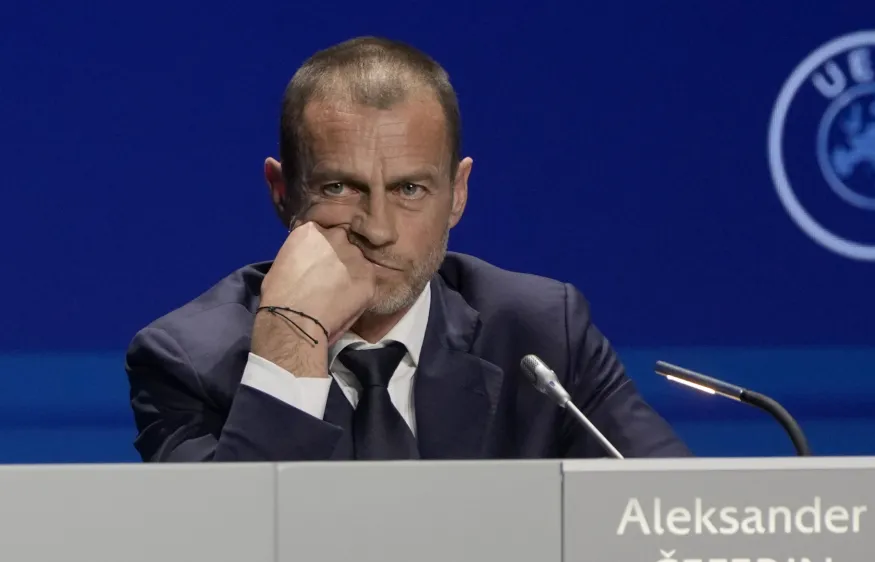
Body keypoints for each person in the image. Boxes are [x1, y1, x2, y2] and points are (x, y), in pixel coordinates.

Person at [125, 36, 690, 462]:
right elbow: (230, 545)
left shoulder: (541, 333)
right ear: (282, 192)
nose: (378, 229)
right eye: (340, 187)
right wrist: (290, 346)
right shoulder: (187, 360)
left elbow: (678, 519)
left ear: (458, 194)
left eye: (409, 189)